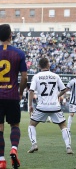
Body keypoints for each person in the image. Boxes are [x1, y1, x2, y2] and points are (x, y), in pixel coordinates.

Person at [28, 58, 73, 154]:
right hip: (55, 106)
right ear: (48, 65)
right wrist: (56, 96)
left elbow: (31, 91)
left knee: (32, 125)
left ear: (39, 66)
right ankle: (68, 147)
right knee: (63, 126)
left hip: (42, 107)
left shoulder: (36, 76)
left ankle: (34, 144)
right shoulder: (55, 76)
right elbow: (64, 89)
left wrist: (30, 105)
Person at [0, 24, 27, 169]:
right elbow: (24, 77)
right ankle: (14, 149)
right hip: (12, 95)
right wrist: (20, 92)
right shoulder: (19, 53)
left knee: (0, 128)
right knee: (14, 125)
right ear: (11, 35)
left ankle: (1, 160)